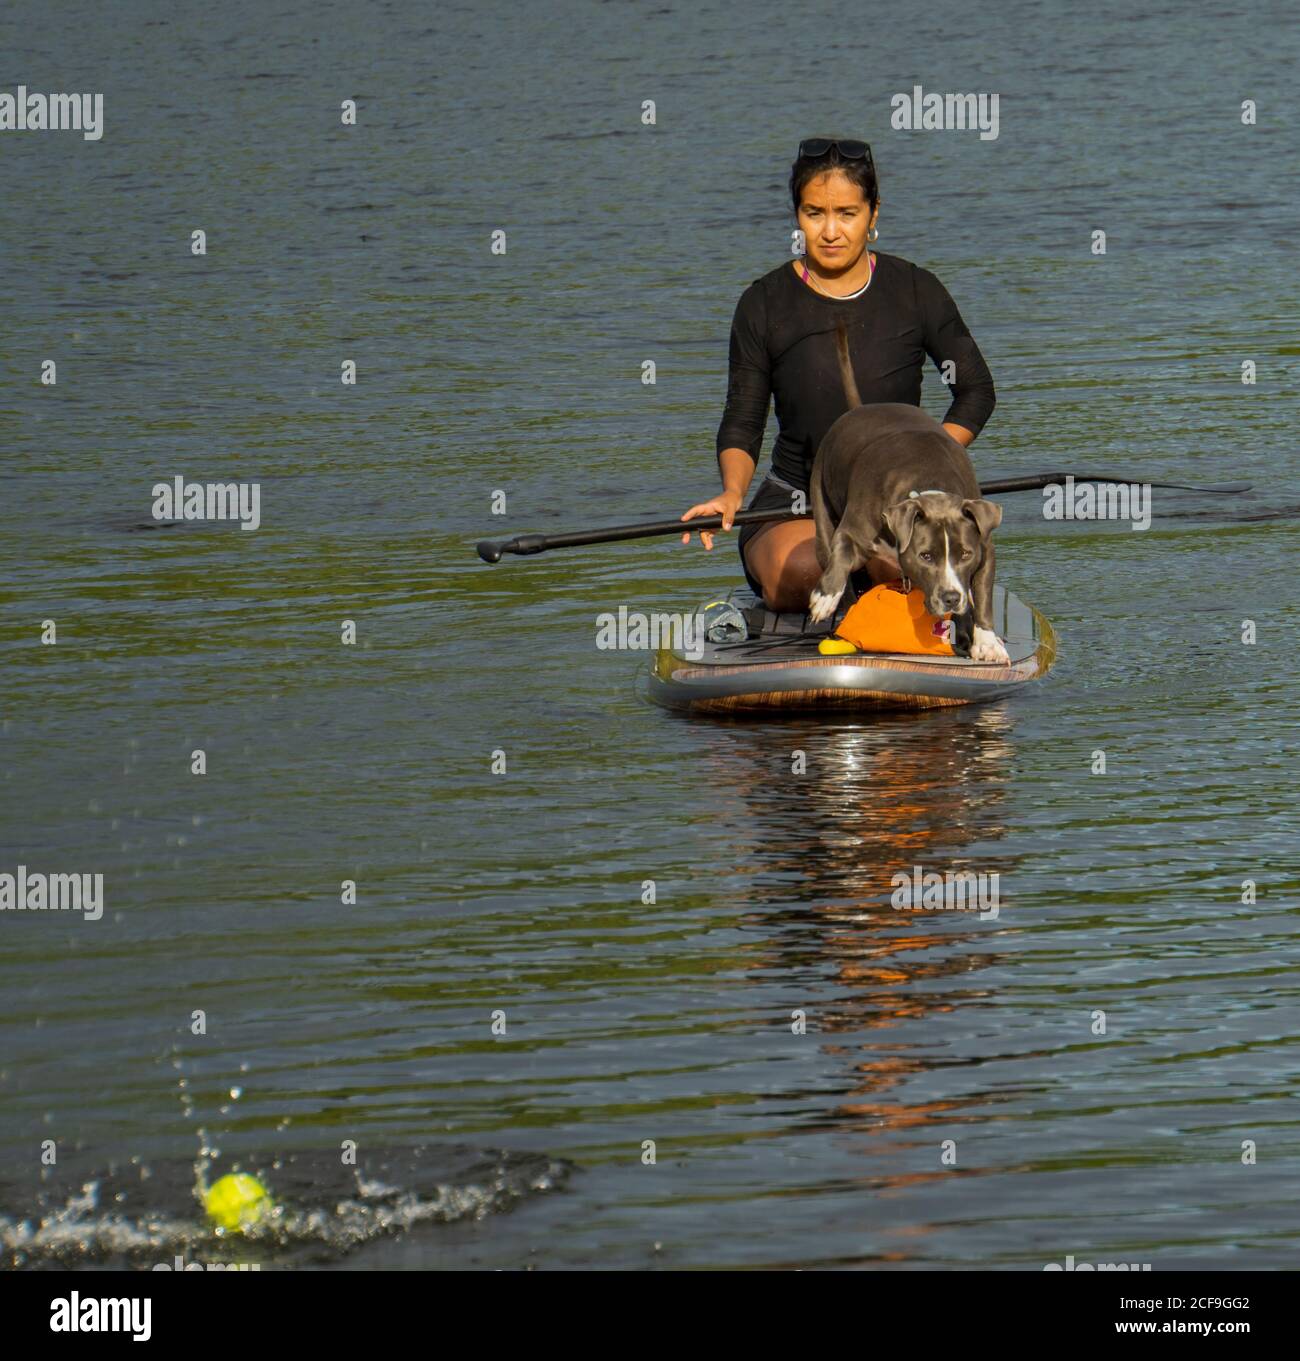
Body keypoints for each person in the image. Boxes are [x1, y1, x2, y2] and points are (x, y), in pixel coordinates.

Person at [680, 137, 996, 612]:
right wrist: (730, 493)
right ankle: (840, 593)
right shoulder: (763, 304)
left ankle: (884, 593)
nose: (830, 231)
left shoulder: (916, 290)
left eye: (847, 213)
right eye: (814, 213)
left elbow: (975, 392)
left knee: (908, 569)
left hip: (900, 504)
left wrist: (924, 467)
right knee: (808, 571)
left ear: (873, 215)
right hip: (795, 500)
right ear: (797, 216)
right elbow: (744, 422)